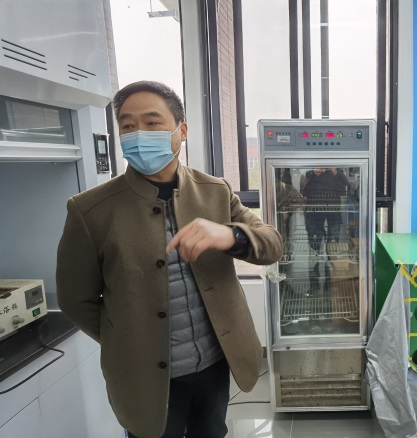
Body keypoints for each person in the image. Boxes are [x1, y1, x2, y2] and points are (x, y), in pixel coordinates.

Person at [56, 81, 283, 438]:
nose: (139, 134)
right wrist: (125, 336)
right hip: (144, 376)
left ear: (182, 131)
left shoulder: (215, 191)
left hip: (214, 362)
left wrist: (232, 235)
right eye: (128, 126)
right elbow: (74, 299)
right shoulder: (91, 210)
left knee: (212, 432)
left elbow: (272, 244)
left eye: (152, 122)